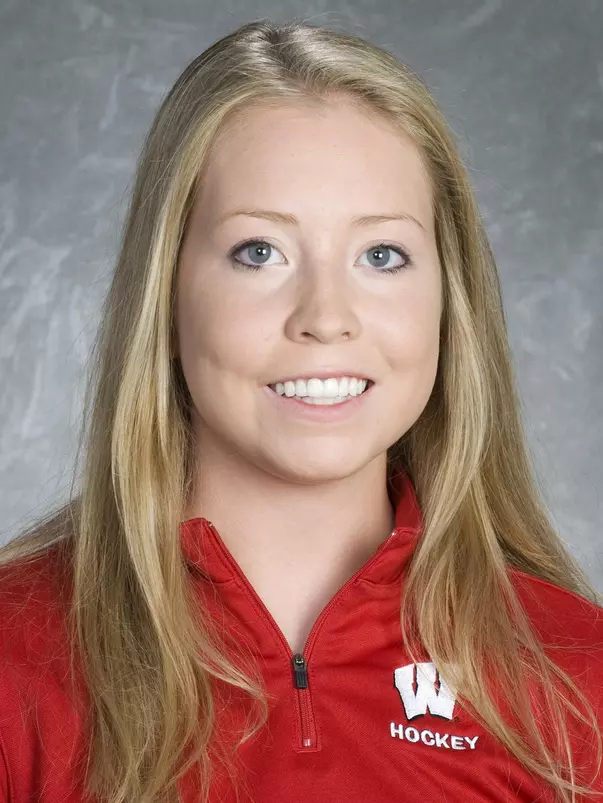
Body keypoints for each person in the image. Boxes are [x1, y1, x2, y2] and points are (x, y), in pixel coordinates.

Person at [0, 16, 601, 803]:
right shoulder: (16, 660)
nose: (326, 315)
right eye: (259, 252)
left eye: (380, 255)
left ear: (448, 305)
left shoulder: (576, 676)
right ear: (167, 298)